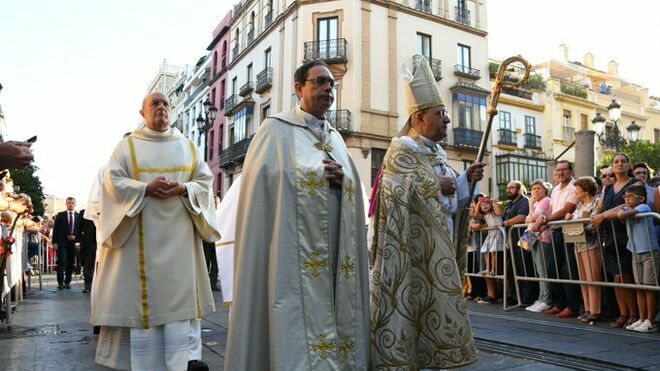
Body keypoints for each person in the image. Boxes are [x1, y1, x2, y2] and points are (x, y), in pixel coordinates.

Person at [224, 60, 371, 370]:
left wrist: (343, 180)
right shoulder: (275, 130)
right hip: (290, 252)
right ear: (298, 88)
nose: (328, 88)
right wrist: (314, 177)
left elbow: (354, 187)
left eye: (331, 83)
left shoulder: (337, 139)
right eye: (319, 82)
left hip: (335, 249)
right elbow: (262, 183)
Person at [91, 92, 220, 371]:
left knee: (178, 317)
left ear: (171, 111)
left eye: (165, 104)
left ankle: (181, 363)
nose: (161, 108)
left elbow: (204, 181)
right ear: (142, 112)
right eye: (154, 104)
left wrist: (184, 188)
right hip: (138, 248)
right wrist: (144, 189)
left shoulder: (187, 146)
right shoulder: (127, 147)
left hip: (180, 248)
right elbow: (112, 184)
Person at [369, 58, 483, 369]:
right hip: (412, 250)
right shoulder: (402, 149)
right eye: (440, 114)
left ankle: (437, 356)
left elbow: (451, 202)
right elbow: (392, 191)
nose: (447, 120)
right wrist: (434, 184)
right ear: (419, 118)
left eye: (446, 114)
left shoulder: (439, 152)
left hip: (438, 243)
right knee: (412, 305)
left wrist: (464, 181)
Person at [592, 153, 639, 328]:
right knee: (616, 278)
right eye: (616, 162)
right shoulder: (609, 187)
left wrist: (604, 215)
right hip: (610, 235)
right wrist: (598, 214)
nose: (619, 164)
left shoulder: (634, 184)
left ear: (629, 165)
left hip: (627, 233)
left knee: (625, 277)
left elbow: (628, 204)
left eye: (623, 161)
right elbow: (601, 206)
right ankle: (623, 313)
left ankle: (633, 314)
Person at [533, 160, 581, 319]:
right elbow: (552, 210)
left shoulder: (575, 186)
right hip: (555, 231)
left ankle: (572, 306)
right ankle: (559, 303)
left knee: (568, 270)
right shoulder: (554, 190)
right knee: (552, 269)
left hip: (569, 230)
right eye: (557, 170)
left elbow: (567, 210)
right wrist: (544, 220)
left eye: (564, 170)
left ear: (571, 171)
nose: (560, 173)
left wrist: (545, 220)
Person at [618, 183, 659, 333]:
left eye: (630, 197)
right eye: (625, 196)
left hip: (649, 251)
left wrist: (623, 209)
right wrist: (623, 208)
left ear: (641, 199)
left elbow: (622, 214)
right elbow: (621, 214)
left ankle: (650, 320)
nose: (626, 199)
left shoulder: (644, 207)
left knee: (649, 287)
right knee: (639, 286)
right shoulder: (630, 208)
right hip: (635, 251)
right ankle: (641, 318)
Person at [567, 176, 602, 323]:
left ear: (586, 191)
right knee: (583, 279)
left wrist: (578, 226)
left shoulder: (596, 203)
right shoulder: (579, 206)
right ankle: (587, 309)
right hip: (578, 245)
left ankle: (595, 310)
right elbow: (573, 223)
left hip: (592, 245)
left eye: (577, 190)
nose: (575, 193)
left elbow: (594, 224)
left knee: (592, 278)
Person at [502, 181, 534, 305]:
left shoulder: (524, 201)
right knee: (512, 269)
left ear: (520, 189)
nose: (509, 190)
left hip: (522, 239)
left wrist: (506, 223)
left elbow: (521, 217)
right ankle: (516, 297)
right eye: (508, 188)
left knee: (524, 267)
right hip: (511, 240)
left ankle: (527, 298)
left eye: (512, 188)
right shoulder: (510, 204)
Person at [524, 180, 553, 313]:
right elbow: (528, 219)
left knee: (543, 270)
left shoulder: (546, 200)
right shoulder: (536, 202)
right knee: (539, 269)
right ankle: (541, 297)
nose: (536, 191)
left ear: (545, 190)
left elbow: (531, 218)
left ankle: (546, 299)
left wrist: (530, 205)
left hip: (543, 237)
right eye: (534, 188)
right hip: (534, 237)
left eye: (539, 188)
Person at [471, 196, 504, 304]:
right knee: (485, 251)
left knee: (493, 251)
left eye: (486, 204)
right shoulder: (483, 215)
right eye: (482, 205)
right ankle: (488, 268)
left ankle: (493, 269)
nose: (485, 206)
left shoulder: (494, 212)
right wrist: (478, 205)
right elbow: (475, 215)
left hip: (498, 232)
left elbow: (499, 212)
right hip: (491, 233)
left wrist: (494, 203)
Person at [52, 197, 80, 290]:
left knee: (70, 263)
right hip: (62, 242)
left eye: (72, 203)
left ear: (75, 204)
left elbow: (79, 230)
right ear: (66, 204)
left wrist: (76, 238)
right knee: (62, 261)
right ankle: (60, 283)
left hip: (73, 243)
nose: (70, 204)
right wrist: (55, 242)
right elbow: (55, 230)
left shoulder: (78, 216)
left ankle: (67, 282)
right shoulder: (60, 215)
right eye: (68, 203)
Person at [76, 209, 96, 293]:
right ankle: (88, 285)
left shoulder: (103, 209)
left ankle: (96, 285)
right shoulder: (83, 212)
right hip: (87, 243)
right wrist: (77, 242)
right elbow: (78, 227)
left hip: (99, 242)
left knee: (96, 264)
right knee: (87, 264)